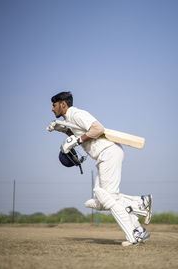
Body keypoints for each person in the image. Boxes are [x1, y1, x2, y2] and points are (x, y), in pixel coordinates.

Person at [48, 91, 153, 247]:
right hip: (105, 155)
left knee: (105, 196)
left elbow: (98, 129)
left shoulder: (76, 113)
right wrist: (62, 129)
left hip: (108, 152)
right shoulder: (70, 119)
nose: (52, 109)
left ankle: (134, 233)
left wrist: (76, 140)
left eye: (54, 105)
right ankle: (140, 211)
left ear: (63, 104)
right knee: (101, 201)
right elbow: (80, 133)